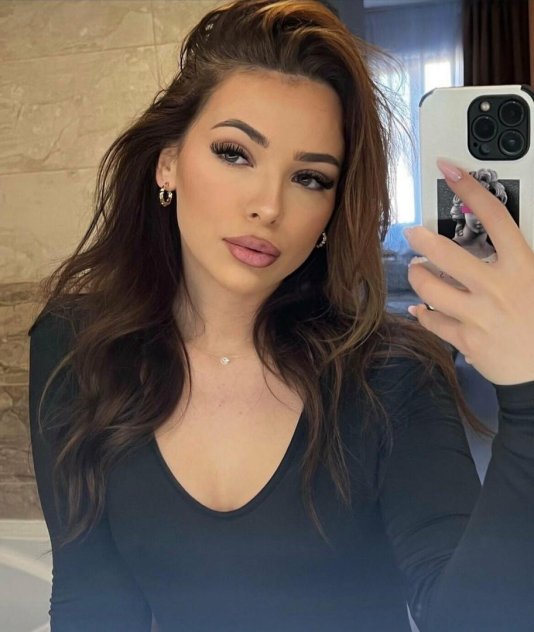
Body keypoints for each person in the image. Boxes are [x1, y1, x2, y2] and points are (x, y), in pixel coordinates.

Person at [28, 1, 534, 631]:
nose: (269, 206)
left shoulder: (391, 375)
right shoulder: (75, 346)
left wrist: (527, 398)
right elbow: (92, 602)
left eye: (310, 178)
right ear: (168, 162)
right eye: (235, 153)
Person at [450, 168, 505, 262]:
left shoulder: (499, 253)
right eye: (472, 209)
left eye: (487, 210)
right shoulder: (449, 249)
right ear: (461, 210)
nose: (479, 218)